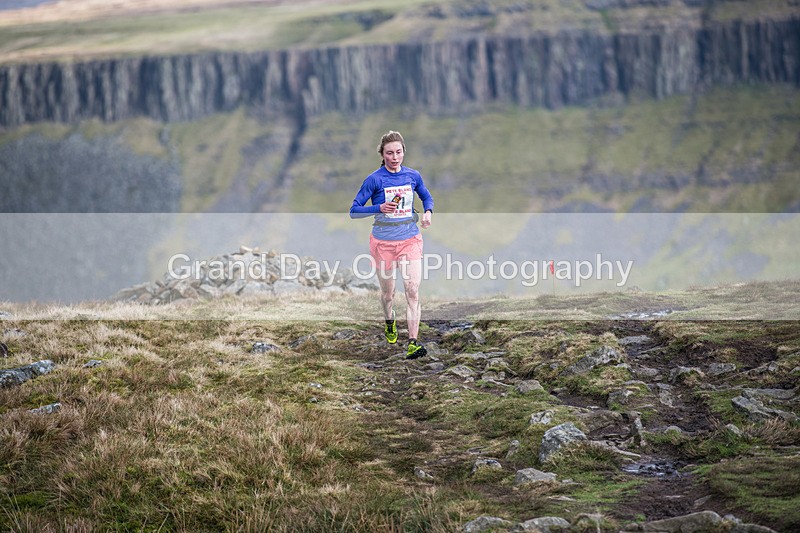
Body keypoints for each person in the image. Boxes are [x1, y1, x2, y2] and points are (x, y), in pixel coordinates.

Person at [350, 131, 434, 359]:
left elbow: (427, 196)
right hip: (383, 243)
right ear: (382, 155)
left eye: (398, 152)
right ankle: (390, 322)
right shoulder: (374, 180)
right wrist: (378, 208)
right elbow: (354, 210)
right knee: (388, 294)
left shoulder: (412, 176)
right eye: (390, 153)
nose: (394, 157)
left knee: (412, 290)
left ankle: (413, 342)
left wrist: (427, 212)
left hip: (410, 239)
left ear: (404, 152)